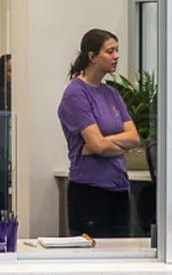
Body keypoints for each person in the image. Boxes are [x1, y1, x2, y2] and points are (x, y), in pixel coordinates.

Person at [57, 29, 137, 238]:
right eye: (110, 51)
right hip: (89, 191)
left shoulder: (111, 93)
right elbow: (98, 145)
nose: (116, 56)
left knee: (120, 256)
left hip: (118, 187)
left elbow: (134, 138)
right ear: (92, 57)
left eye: (117, 50)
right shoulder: (76, 94)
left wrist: (101, 143)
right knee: (92, 257)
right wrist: (102, 145)